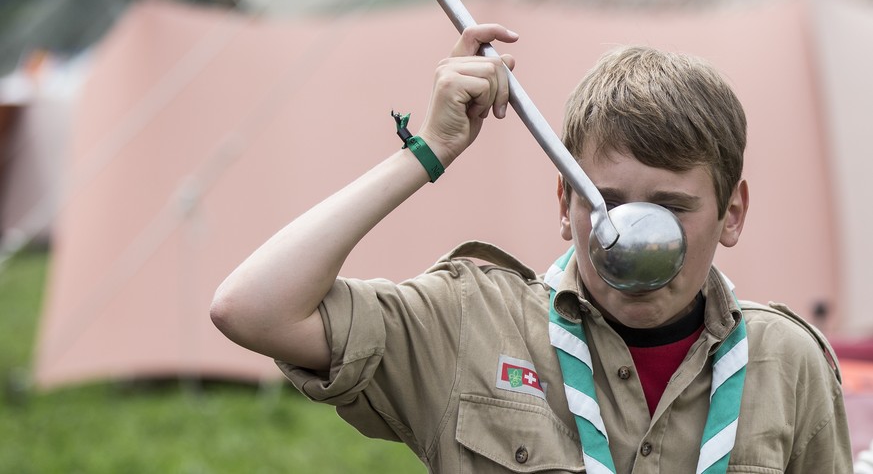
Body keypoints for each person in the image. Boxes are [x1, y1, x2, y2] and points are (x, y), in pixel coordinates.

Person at [210, 25, 852, 472]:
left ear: (731, 213)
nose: (630, 235)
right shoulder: (467, 324)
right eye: (603, 203)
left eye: (672, 209)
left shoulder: (787, 362)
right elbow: (253, 308)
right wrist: (427, 152)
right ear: (563, 205)